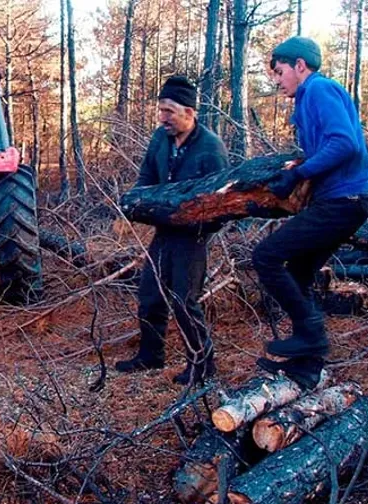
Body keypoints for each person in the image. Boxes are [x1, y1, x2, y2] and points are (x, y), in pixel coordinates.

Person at [253, 36, 368, 388]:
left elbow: (344, 143)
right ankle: (307, 367)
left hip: (344, 201)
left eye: (279, 72)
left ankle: (313, 339)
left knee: (266, 256)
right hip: (340, 201)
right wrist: (297, 170)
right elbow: (330, 147)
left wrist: (298, 174)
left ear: (299, 66)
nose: (277, 80)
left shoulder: (319, 90)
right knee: (300, 271)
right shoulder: (309, 97)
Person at [115, 75, 230, 385]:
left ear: (190, 113)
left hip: (193, 236)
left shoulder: (211, 148)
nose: (162, 118)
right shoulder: (160, 139)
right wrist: (134, 204)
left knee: (184, 299)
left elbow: (225, 202)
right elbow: (147, 177)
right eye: (160, 110)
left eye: (170, 111)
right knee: (150, 294)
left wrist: (200, 225)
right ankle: (151, 356)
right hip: (164, 230)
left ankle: (202, 365)